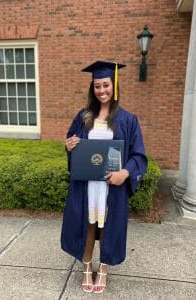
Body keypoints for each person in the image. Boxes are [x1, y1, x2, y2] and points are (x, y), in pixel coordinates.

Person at [61, 60, 147, 294]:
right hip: (87, 185)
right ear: (93, 88)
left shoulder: (128, 120)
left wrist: (125, 173)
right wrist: (70, 146)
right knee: (87, 224)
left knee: (108, 226)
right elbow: (72, 141)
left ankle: (105, 269)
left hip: (112, 186)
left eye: (106, 85)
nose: (102, 90)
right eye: (97, 86)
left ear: (114, 85)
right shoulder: (84, 116)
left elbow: (139, 155)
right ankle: (87, 268)